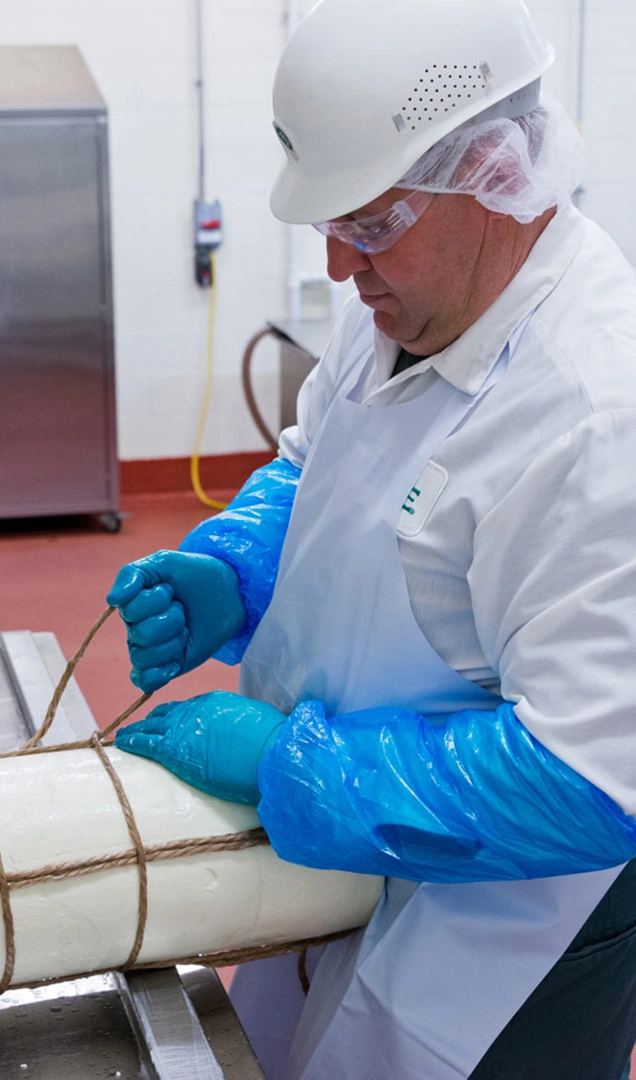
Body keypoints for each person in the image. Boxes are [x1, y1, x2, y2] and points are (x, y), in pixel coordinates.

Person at [107, 1, 636, 1077]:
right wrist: (233, 565)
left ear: (492, 171)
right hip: (339, 860)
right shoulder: (412, 297)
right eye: (331, 227)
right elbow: (322, 460)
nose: (343, 271)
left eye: (373, 223)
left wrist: (290, 767)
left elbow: (592, 779)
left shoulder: (596, 415)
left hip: (505, 929)